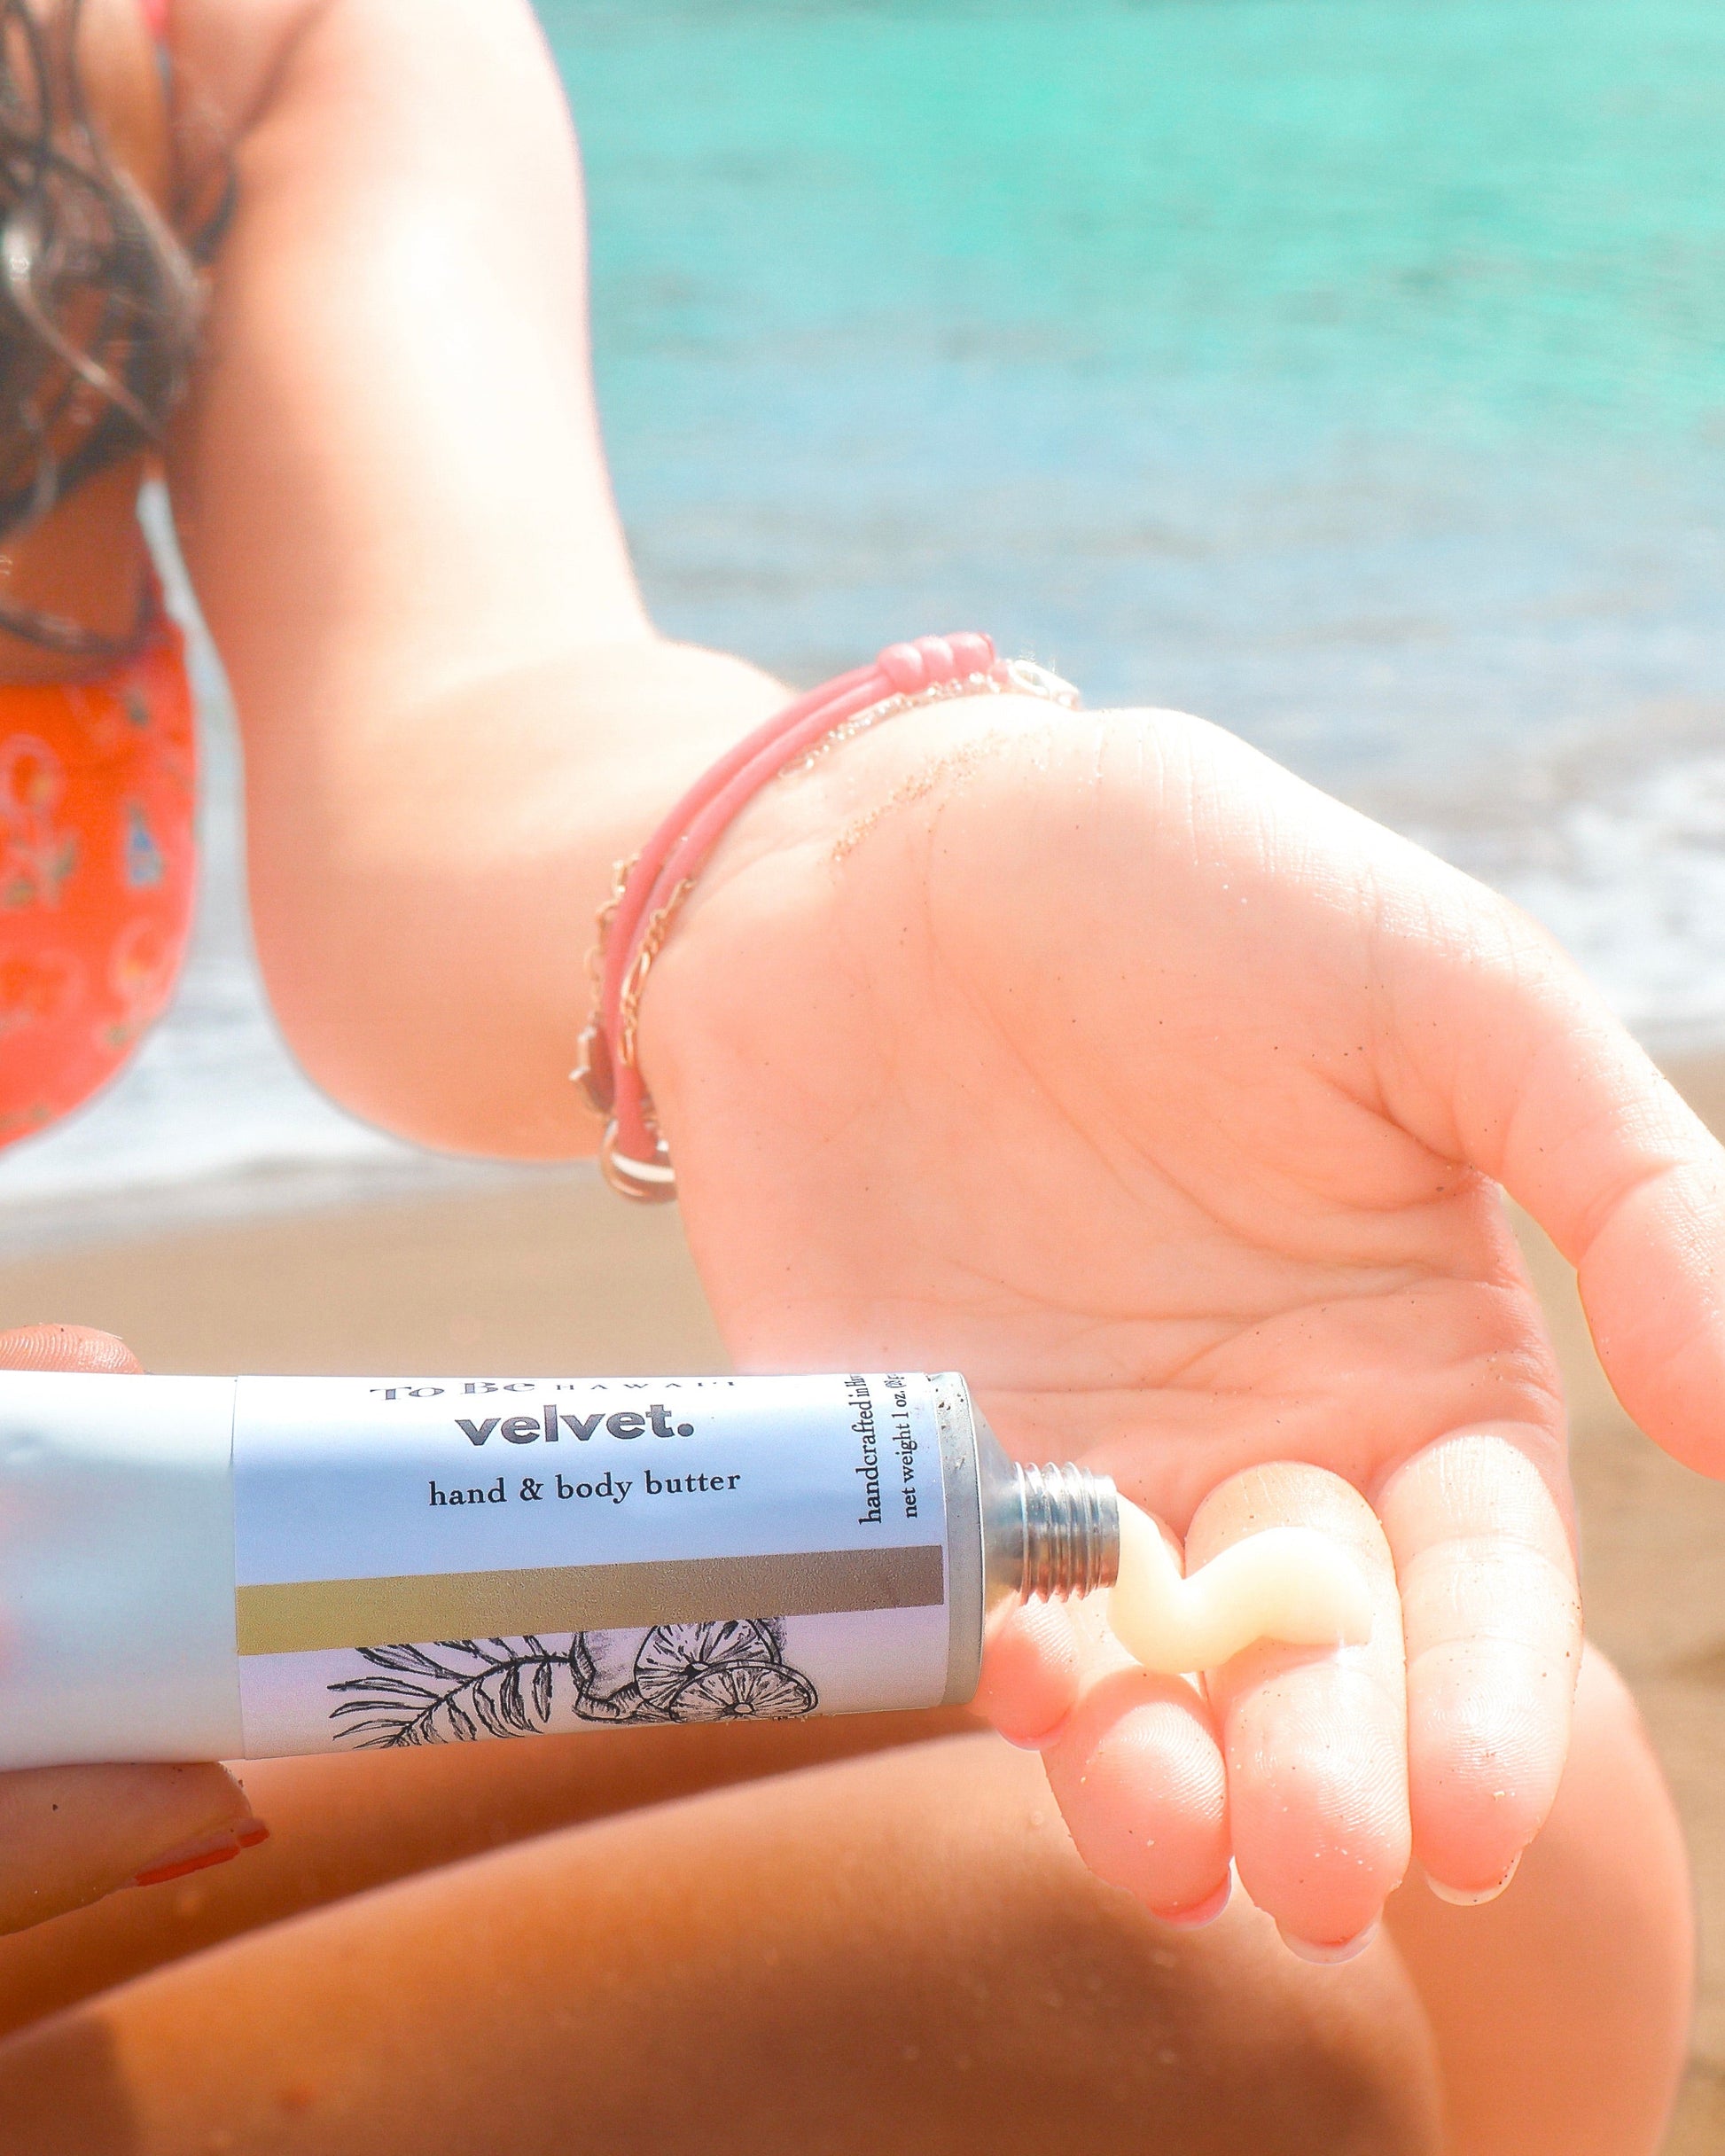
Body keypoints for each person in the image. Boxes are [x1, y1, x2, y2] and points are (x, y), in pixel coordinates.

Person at [0, 3, 1707, 2149]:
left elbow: (450, 716)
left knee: (1516, 1841)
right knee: (1178, 1995)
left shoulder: (225, 48)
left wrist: (827, 859)